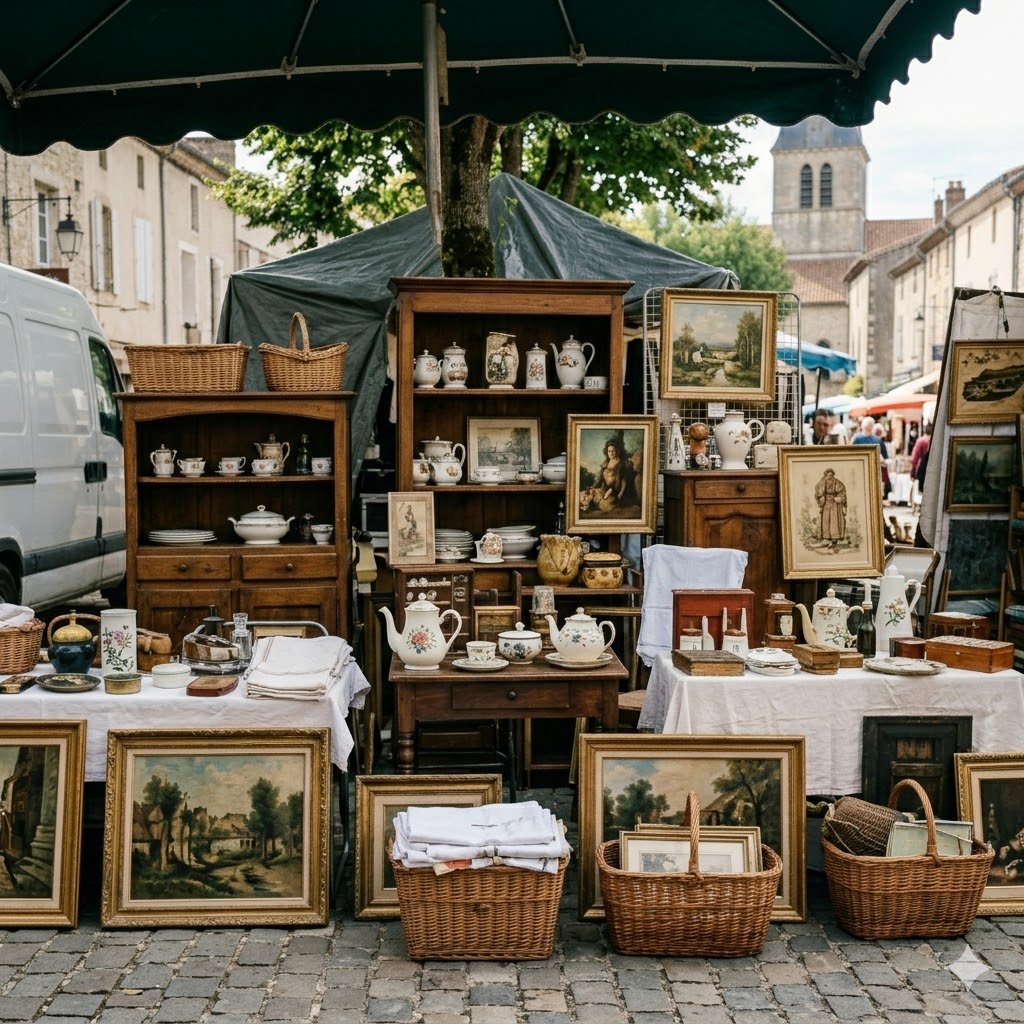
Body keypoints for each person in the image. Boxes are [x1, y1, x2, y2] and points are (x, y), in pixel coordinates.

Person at [815, 468, 847, 547]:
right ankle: (827, 538)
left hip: (835, 504)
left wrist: (839, 498)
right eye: (828, 475)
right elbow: (818, 493)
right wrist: (821, 498)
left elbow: (843, 492)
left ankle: (834, 540)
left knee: (834, 521)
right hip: (826, 503)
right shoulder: (822, 482)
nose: (829, 476)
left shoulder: (837, 482)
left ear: (833, 475)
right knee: (826, 521)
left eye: (831, 475)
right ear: (826, 475)